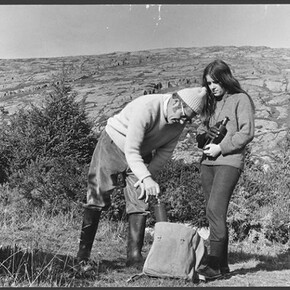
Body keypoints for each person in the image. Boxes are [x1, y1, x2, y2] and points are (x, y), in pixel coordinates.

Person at [76, 86, 207, 273]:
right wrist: (145, 177)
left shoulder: (179, 122)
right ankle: (83, 256)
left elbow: (164, 153)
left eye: (188, 119)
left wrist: (148, 177)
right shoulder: (147, 107)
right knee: (97, 196)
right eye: (184, 115)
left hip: (140, 155)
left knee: (140, 200)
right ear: (177, 101)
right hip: (113, 145)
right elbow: (131, 149)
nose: (183, 121)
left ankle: (134, 257)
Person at [196, 59, 255, 280]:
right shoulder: (210, 104)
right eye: (209, 83)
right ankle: (222, 267)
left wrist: (221, 147)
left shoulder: (241, 99)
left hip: (229, 162)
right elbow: (201, 133)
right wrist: (205, 137)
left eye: (216, 82)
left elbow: (246, 133)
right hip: (207, 163)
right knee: (214, 214)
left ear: (226, 78)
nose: (213, 87)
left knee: (214, 210)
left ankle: (212, 267)